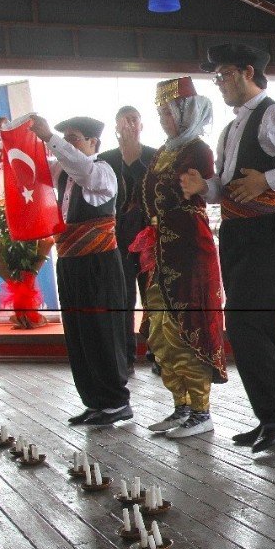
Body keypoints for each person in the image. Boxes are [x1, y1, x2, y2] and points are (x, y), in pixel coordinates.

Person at [180, 43, 275, 454]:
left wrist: (269, 179)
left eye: (225, 75)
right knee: (260, 327)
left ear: (248, 73)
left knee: (248, 325)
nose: (220, 84)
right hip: (239, 233)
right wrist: (203, 188)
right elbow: (229, 187)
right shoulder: (231, 129)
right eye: (217, 78)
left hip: (272, 232)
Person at [132, 78, 227, 438]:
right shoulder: (163, 151)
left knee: (188, 327)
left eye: (166, 112)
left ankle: (201, 412)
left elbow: (194, 190)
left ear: (184, 113)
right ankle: (181, 405)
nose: (162, 119)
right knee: (160, 329)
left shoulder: (197, 150)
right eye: (159, 113)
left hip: (189, 249)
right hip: (160, 250)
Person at [31, 114, 131, 426]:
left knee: (100, 331)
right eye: (67, 138)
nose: (69, 144)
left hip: (97, 263)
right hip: (71, 261)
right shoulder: (62, 171)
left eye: (75, 138)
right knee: (77, 333)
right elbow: (29, 171)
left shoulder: (102, 172)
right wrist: (13, 135)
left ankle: (115, 402)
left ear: (93, 143)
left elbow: (82, 167)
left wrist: (50, 137)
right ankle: (94, 400)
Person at [99, 106, 157, 371]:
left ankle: (158, 353)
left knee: (153, 298)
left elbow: (157, 194)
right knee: (122, 300)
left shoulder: (155, 156)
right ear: (116, 126)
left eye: (134, 120)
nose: (130, 125)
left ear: (142, 125)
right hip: (117, 240)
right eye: (124, 121)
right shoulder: (105, 159)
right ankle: (125, 357)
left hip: (149, 239)